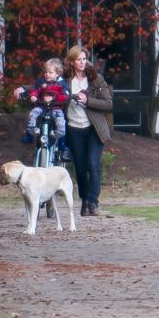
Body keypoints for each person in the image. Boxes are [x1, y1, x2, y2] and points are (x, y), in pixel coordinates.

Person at [62, 45, 114, 216]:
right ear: (71, 62)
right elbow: (45, 85)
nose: (82, 62)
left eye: (84, 59)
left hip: (93, 128)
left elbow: (108, 103)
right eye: (78, 59)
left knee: (93, 164)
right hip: (74, 129)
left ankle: (93, 201)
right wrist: (24, 90)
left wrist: (87, 100)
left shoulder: (95, 78)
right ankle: (84, 200)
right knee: (80, 168)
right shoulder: (65, 79)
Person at [14, 58, 70, 146]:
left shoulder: (62, 84)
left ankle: (61, 143)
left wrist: (59, 98)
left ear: (58, 73)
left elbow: (66, 95)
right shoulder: (41, 81)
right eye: (46, 72)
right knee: (34, 113)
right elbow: (35, 89)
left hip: (56, 107)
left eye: (50, 72)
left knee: (61, 121)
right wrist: (33, 96)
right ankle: (30, 134)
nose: (47, 74)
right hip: (42, 106)